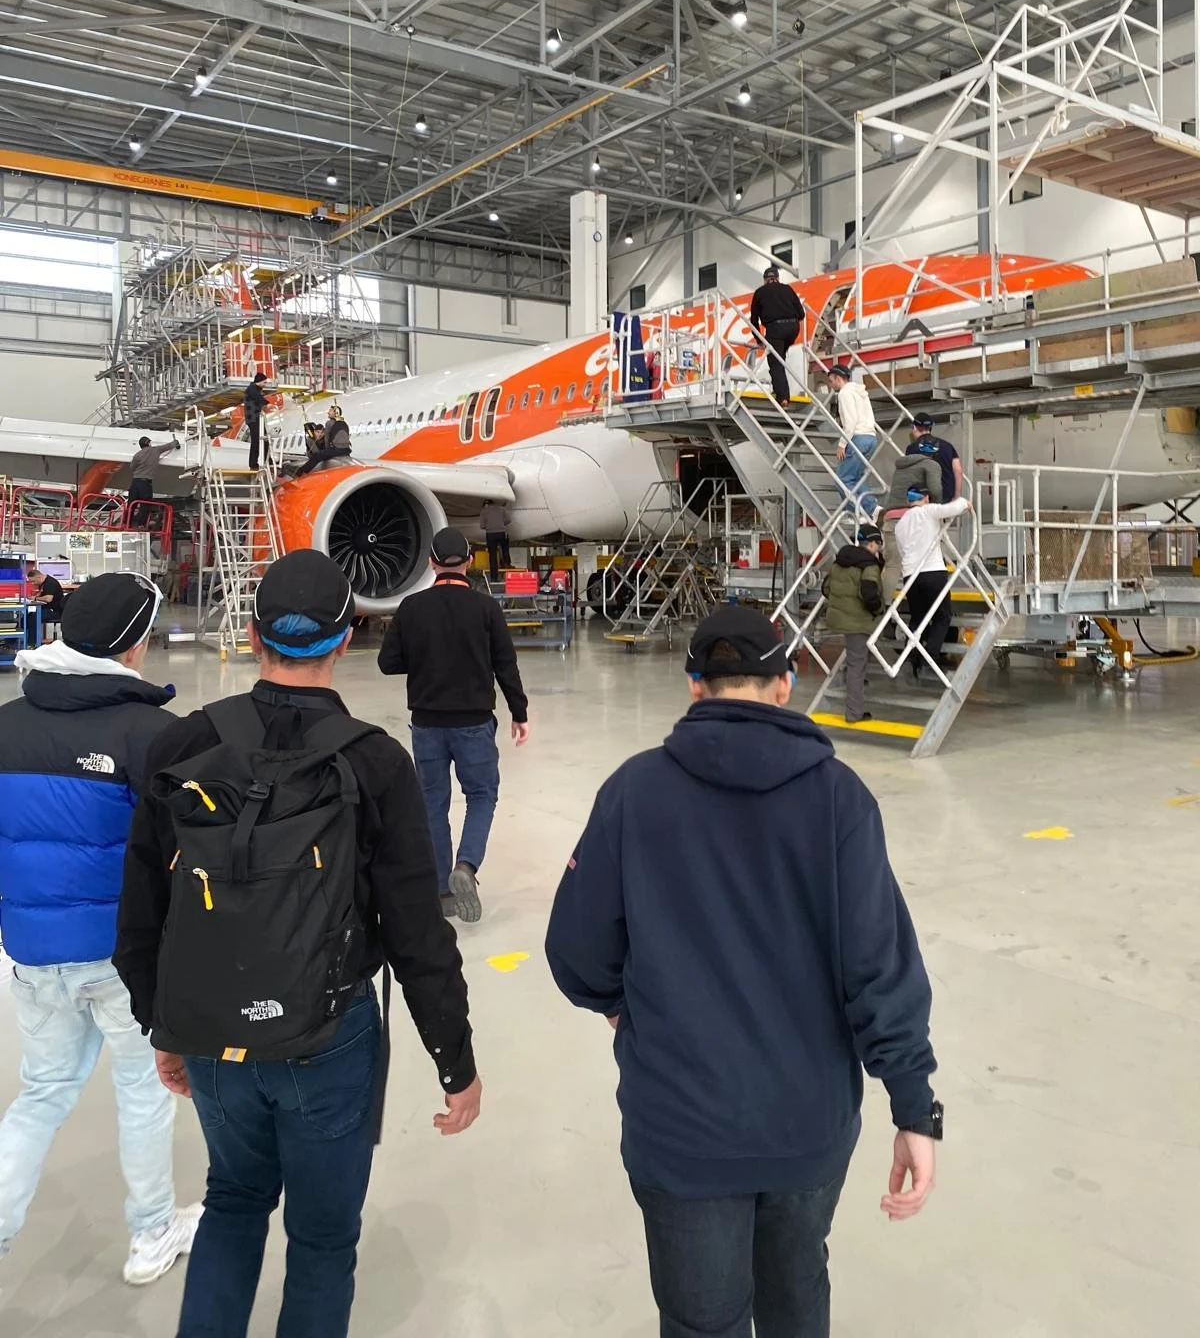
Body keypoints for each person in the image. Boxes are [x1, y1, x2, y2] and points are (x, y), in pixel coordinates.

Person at [546, 604, 940, 1338]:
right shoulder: (839, 799)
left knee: (701, 1320)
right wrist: (914, 1107)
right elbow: (879, 965)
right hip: (807, 1126)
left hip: (682, 1128)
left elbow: (575, 951)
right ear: (786, 685)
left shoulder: (634, 792)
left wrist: (616, 1005)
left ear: (694, 687)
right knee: (796, 1299)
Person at [115, 549, 481, 1338]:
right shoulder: (374, 762)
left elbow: (141, 910)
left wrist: (162, 1023)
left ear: (252, 636)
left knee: (233, 1203)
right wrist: (456, 1060)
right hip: (329, 1033)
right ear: (344, 639)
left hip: (211, 1030)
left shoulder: (182, 747)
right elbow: (419, 932)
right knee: (321, 1240)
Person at [0, 572, 199, 1285]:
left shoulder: (6, 723)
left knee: (41, 1094)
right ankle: (151, 1234)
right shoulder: (154, 734)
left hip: (32, 953)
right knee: (143, 1090)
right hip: (125, 958)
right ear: (135, 644)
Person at [377, 527, 530, 923]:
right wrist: (520, 712)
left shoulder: (411, 608)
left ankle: (442, 892)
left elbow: (387, 662)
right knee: (481, 796)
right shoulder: (486, 608)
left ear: (430, 562)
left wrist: (426, 657)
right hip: (474, 723)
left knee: (432, 803)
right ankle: (466, 866)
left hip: (426, 724)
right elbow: (505, 665)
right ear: (470, 561)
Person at [895, 486, 971, 681]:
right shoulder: (929, 511)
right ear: (926, 498)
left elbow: (902, 551)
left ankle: (913, 657)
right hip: (933, 572)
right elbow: (952, 508)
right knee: (942, 616)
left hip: (910, 574)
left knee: (917, 618)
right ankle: (931, 657)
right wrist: (965, 503)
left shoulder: (901, 523)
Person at [822, 525, 885, 724]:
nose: (879, 549)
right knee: (857, 665)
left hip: (840, 618)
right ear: (873, 543)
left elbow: (826, 588)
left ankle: (850, 693)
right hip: (858, 621)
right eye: (878, 545)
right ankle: (854, 713)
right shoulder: (869, 566)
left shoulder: (840, 561)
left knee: (855, 661)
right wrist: (877, 611)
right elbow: (869, 594)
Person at [748, 266, 805, 406]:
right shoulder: (787, 289)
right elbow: (801, 314)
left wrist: (759, 339)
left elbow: (753, 320)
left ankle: (783, 397)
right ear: (778, 278)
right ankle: (778, 388)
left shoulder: (760, 292)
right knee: (780, 357)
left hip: (775, 328)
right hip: (793, 328)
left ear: (765, 280)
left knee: (775, 362)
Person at [827, 363, 878, 516]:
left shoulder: (844, 393)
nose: (830, 384)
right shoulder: (860, 392)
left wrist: (842, 445)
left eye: (831, 380)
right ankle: (872, 509)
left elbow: (850, 422)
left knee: (843, 480)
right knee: (856, 478)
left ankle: (863, 512)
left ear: (838, 378)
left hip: (858, 438)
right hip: (871, 438)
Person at [910, 414, 963, 503]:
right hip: (946, 496)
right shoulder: (947, 446)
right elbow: (958, 471)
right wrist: (957, 497)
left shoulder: (912, 448)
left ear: (915, 428)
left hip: (924, 498)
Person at [128, 434, 180, 524]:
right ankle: (141, 524)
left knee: (131, 504)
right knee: (145, 504)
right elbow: (167, 446)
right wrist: (175, 442)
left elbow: (132, 467)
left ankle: (126, 522)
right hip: (145, 483)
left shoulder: (137, 455)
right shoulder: (155, 450)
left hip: (135, 482)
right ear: (148, 443)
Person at [295, 405, 352, 477]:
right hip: (346, 450)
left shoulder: (329, 423)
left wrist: (327, 452)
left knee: (318, 456)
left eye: (330, 411)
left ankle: (300, 472)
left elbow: (327, 439)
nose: (328, 412)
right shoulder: (344, 423)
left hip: (336, 449)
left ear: (335, 413)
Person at [25, 562, 64, 642]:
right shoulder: (43, 583)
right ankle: (17, 640)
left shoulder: (50, 583)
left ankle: (33, 643)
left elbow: (48, 599)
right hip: (47, 608)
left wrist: (35, 598)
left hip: (55, 611)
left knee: (33, 617)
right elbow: (41, 594)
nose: (33, 584)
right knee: (25, 617)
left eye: (33, 581)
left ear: (39, 577)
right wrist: (34, 596)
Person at [479, 499, 512, 583]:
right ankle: (507, 562)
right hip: (501, 532)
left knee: (492, 556)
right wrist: (501, 524)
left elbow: (482, 526)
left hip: (490, 534)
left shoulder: (483, 511)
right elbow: (509, 520)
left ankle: (494, 578)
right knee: (505, 546)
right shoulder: (501, 508)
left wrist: (489, 526)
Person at [243, 371, 269, 472]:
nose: (265, 384)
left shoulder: (255, 390)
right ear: (259, 381)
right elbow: (258, 399)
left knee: (264, 440)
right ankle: (253, 464)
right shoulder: (252, 388)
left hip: (256, 418)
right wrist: (267, 404)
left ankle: (267, 460)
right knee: (256, 441)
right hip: (253, 418)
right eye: (264, 382)